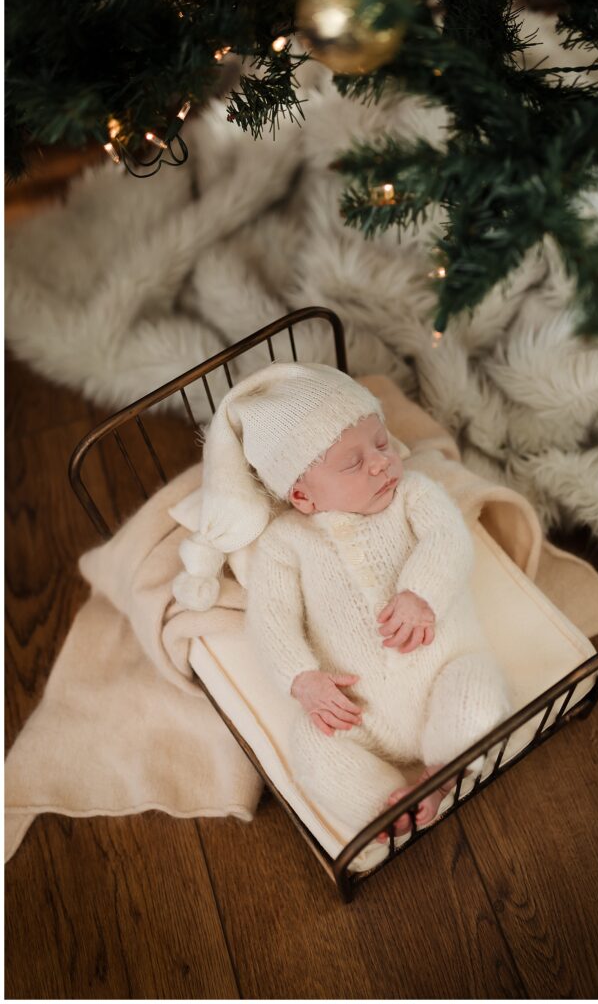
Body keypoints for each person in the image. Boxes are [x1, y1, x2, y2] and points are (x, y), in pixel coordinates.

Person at [173, 362, 509, 846]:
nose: (380, 462)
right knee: (313, 750)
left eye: (381, 442)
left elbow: (447, 539)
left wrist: (422, 592)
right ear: (303, 496)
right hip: (361, 713)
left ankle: (441, 775)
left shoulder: (414, 494)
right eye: (352, 463)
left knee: (477, 693)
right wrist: (301, 678)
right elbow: (271, 620)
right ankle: (387, 804)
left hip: (445, 672)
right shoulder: (286, 541)